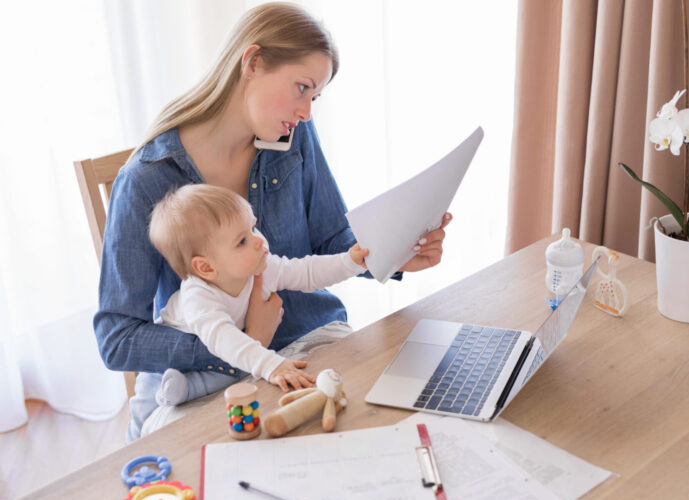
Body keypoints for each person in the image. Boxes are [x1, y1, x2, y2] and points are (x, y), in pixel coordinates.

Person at [94, 2, 451, 443]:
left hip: (313, 340)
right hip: (208, 375)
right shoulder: (147, 180)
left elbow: (330, 238)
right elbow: (117, 338)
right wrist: (244, 341)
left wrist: (396, 253)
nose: (306, 113)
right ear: (253, 63)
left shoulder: (294, 136)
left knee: (391, 433)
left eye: (314, 96)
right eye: (301, 88)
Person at [149, 184, 369, 408]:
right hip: (182, 362)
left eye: (253, 228)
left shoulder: (261, 266)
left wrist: (350, 262)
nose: (259, 241)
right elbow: (223, 339)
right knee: (230, 362)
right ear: (205, 268)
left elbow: (306, 271)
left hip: (229, 353)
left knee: (236, 364)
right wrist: (271, 365)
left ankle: (189, 387)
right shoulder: (197, 296)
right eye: (242, 241)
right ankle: (183, 388)